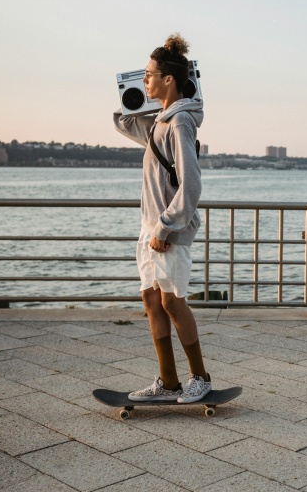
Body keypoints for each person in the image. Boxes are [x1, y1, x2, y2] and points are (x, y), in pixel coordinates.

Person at [113, 33, 211, 403]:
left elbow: (192, 184)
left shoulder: (181, 123)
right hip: (149, 231)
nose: (144, 81)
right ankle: (168, 382)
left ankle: (200, 378)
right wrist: (133, 100)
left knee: (172, 302)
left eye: (150, 75)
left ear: (169, 79)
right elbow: (124, 122)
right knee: (152, 301)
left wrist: (167, 226)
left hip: (168, 232)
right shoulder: (160, 123)